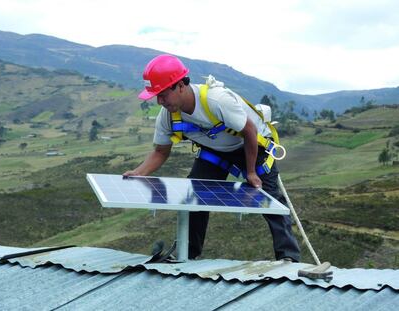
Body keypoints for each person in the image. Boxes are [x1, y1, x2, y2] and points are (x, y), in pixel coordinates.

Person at [123, 54, 300, 262]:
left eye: (162, 94)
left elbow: (250, 132)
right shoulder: (168, 116)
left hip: (251, 147)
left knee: (269, 197)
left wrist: (250, 172)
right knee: (195, 192)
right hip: (215, 152)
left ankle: (288, 257)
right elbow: (161, 151)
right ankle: (188, 252)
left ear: (180, 86)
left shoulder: (216, 100)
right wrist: (139, 173)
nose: (159, 101)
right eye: (156, 96)